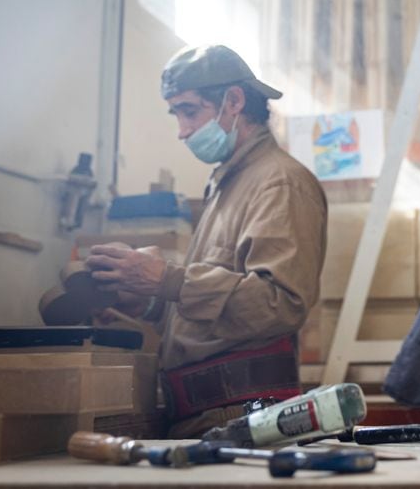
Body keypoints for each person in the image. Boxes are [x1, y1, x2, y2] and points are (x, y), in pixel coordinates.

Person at [86, 45, 327, 437]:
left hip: (242, 418)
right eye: (177, 114)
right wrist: (146, 300)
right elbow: (211, 318)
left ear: (234, 101)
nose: (181, 131)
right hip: (205, 416)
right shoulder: (227, 183)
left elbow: (279, 304)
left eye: (189, 111)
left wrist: (168, 280)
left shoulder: (279, 182)